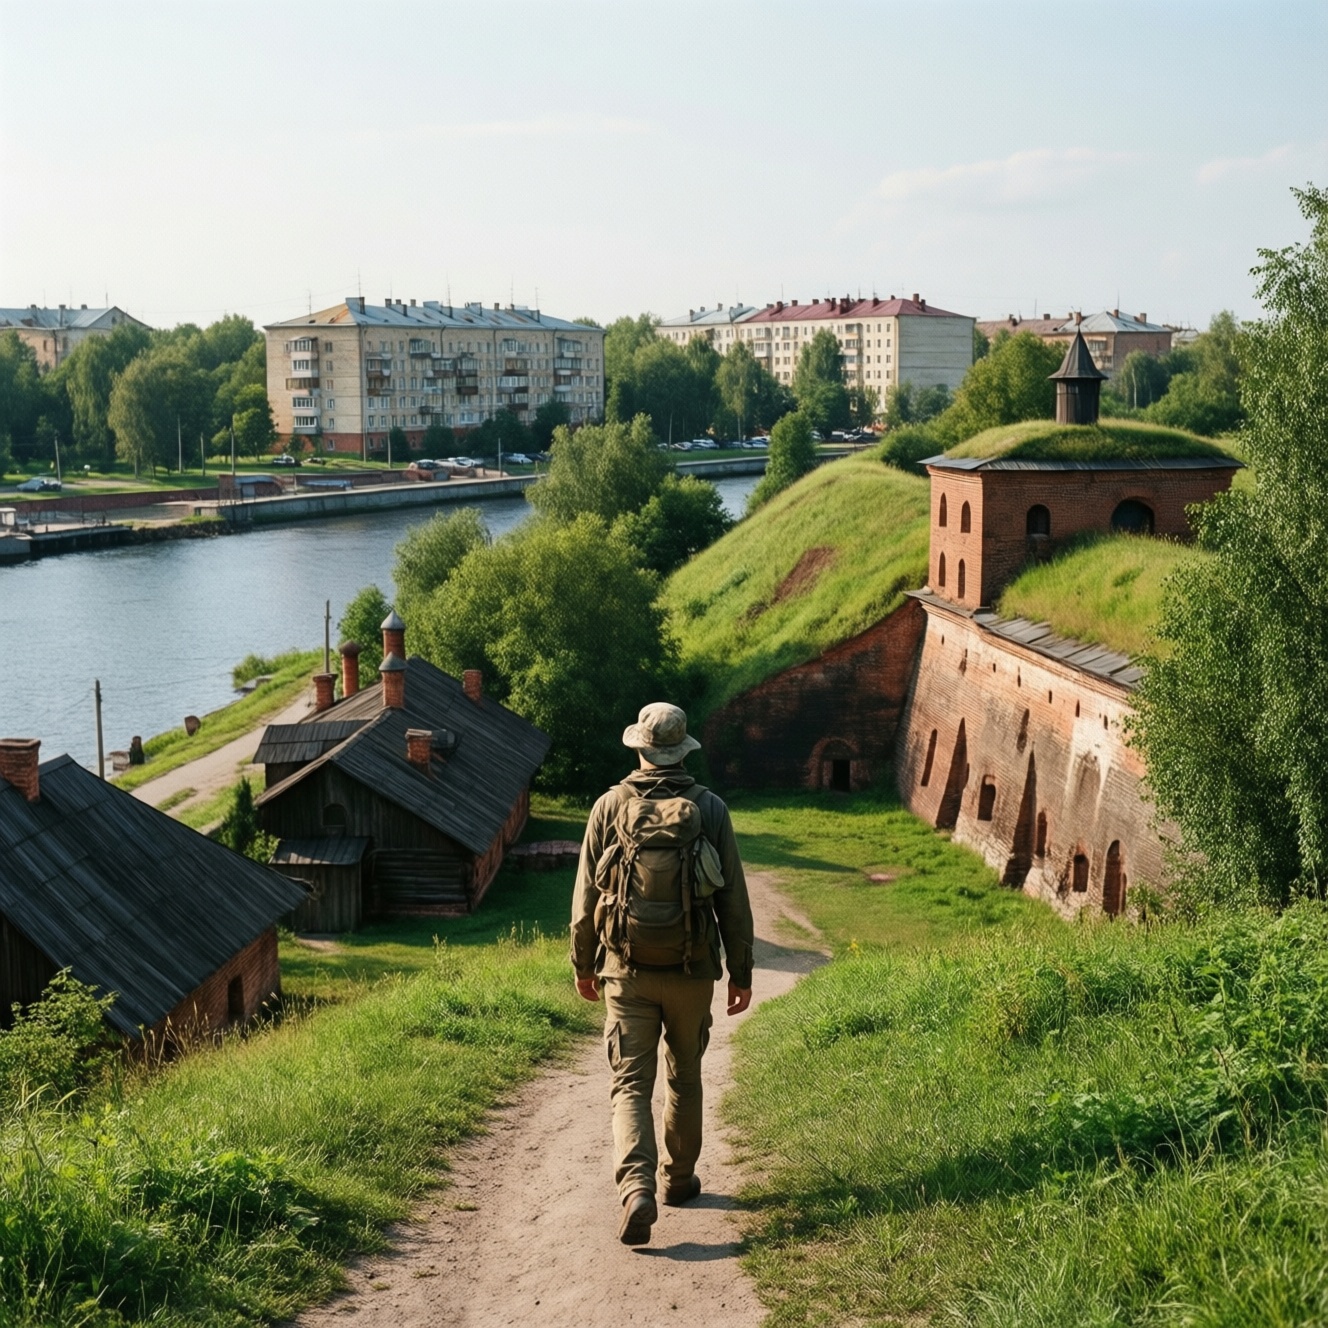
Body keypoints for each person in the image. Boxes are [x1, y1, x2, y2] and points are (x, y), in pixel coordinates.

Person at [570, 702, 754, 1246]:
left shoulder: (609, 807)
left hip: (625, 969)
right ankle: (678, 1180)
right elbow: (735, 902)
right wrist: (740, 972)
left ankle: (637, 1191)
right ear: (683, 749)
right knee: (686, 1076)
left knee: (629, 1083)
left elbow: (584, 898)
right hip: (693, 969)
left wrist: (584, 964)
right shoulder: (711, 809)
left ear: (641, 749)